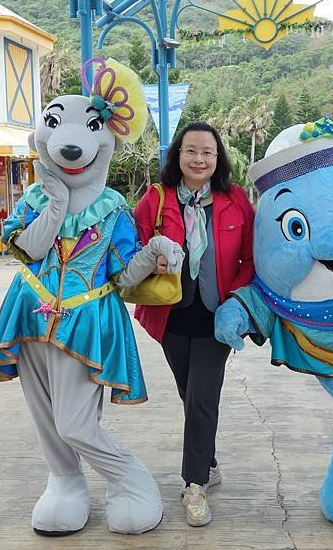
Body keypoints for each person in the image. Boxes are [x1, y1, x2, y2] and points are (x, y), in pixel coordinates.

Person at [134, 122, 255, 527]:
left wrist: (236, 302)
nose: (199, 159)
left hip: (216, 319)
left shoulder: (235, 200)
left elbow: (251, 259)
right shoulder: (156, 199)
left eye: (207, 152)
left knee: (202, 397)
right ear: (177, 155)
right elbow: (130, 249)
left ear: (217, 158)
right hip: (170, 317)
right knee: (190, 395)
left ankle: (195, 485)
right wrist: (153, 259)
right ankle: (209, 461)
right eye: (191, 151)